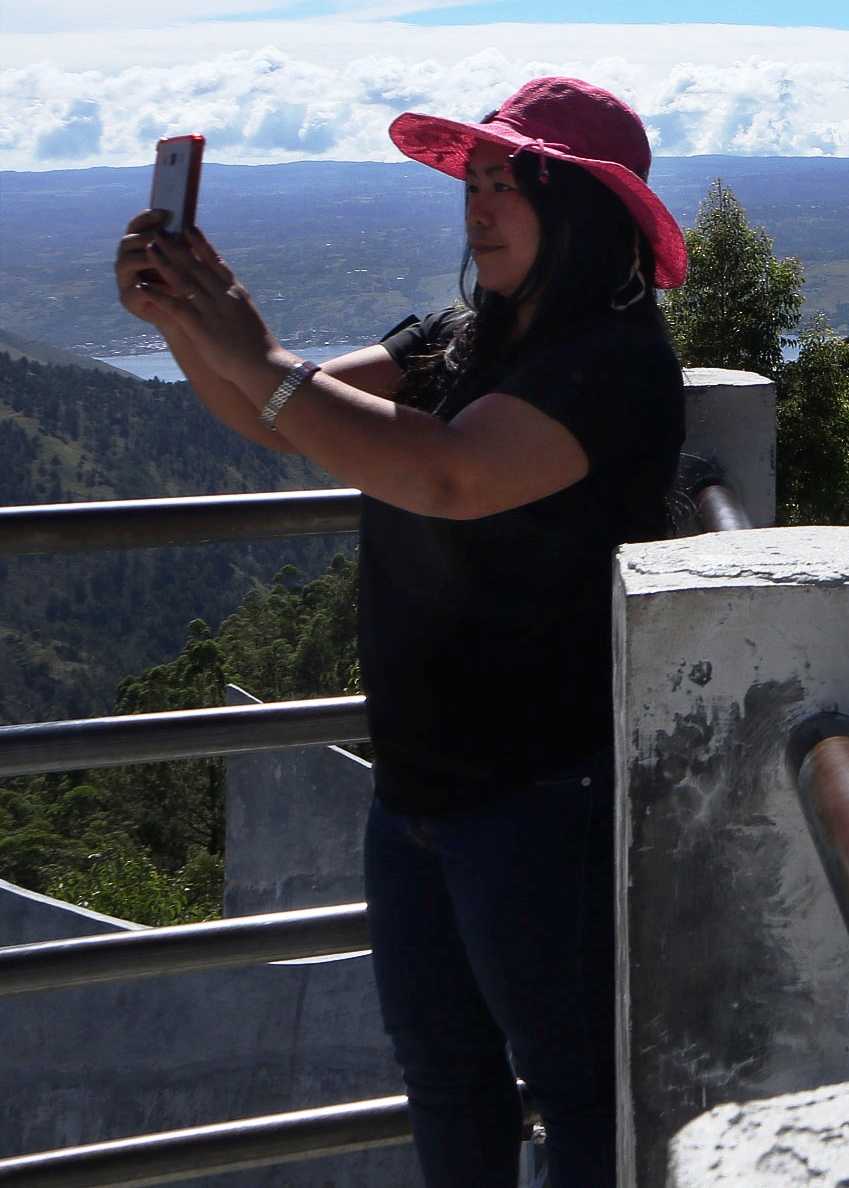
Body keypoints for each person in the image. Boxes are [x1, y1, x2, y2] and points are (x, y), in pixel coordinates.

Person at [113, 76, 690, 1188]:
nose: (477, 206)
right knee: (446, 1074)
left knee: (572, 1086)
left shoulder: (611, 366)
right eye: (472, 180)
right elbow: (287, 419)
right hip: (420, 790)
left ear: (582, 210)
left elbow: (441, 471)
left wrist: (253, 351)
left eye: (506, 183)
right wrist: (190, 316)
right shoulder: (465, 336)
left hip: (541, 797)